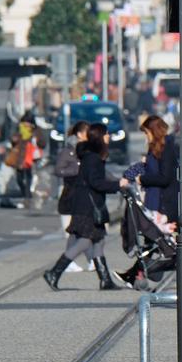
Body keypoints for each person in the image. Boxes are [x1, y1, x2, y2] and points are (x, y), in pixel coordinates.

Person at [43, 123, 130, 291]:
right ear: (99, 137)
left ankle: (105, 280)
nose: (109, 137)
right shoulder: (93, 158)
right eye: (106, 134)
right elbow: (95, 182)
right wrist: (117, 185)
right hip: (87, 207)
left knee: (98, 241)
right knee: (85, 241)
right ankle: (54, 272)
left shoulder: (92, 156)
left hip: (89, 204)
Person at [111, 115, 179, 288]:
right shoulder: (156, 147)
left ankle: (138, 273)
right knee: (154, 240)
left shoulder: (168, 148)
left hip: (163, 202)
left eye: (147, 133)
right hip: (155, 199)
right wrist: (132, 173)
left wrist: (142, 180)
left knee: (163, 241)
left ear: (154, 132)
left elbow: (165, 178)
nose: (145, 137)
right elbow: (149, 167)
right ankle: (137, 274)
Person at [55, 121, 95, 273]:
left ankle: (92, 260)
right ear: (79, 134)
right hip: (70, 197)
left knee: (82, 230)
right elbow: (58, 170)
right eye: (87, 133)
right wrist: (77, 170)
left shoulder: (87, 151)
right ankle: (77, 261)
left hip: (83, 196)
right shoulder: (68, 151)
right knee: (75, 231)